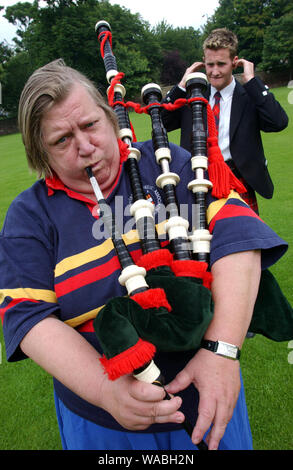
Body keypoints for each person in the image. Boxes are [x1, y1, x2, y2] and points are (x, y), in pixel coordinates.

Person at [0, 59, 288, 451]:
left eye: (89, 125)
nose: (85, 148)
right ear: (41, 153)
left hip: (207, 394)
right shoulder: (30, 214)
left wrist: (221, 351)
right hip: (103, 423)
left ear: (108, 115)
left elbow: (238, 240)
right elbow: (28, 317)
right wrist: (105, 391)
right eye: (61, 140)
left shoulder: (168, 162)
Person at [161, 28, 289, 213]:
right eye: (210, 64)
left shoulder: (249, 95)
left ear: (234, 63)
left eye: (221, 64)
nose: (214, 72)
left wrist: (252, 80)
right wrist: (181, 85)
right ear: (203, 62)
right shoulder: (192, 95)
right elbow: (163, 120)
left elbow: (278, 122)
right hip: (197, 178)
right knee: (201, 240)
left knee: (244, 240)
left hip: (237, 179)